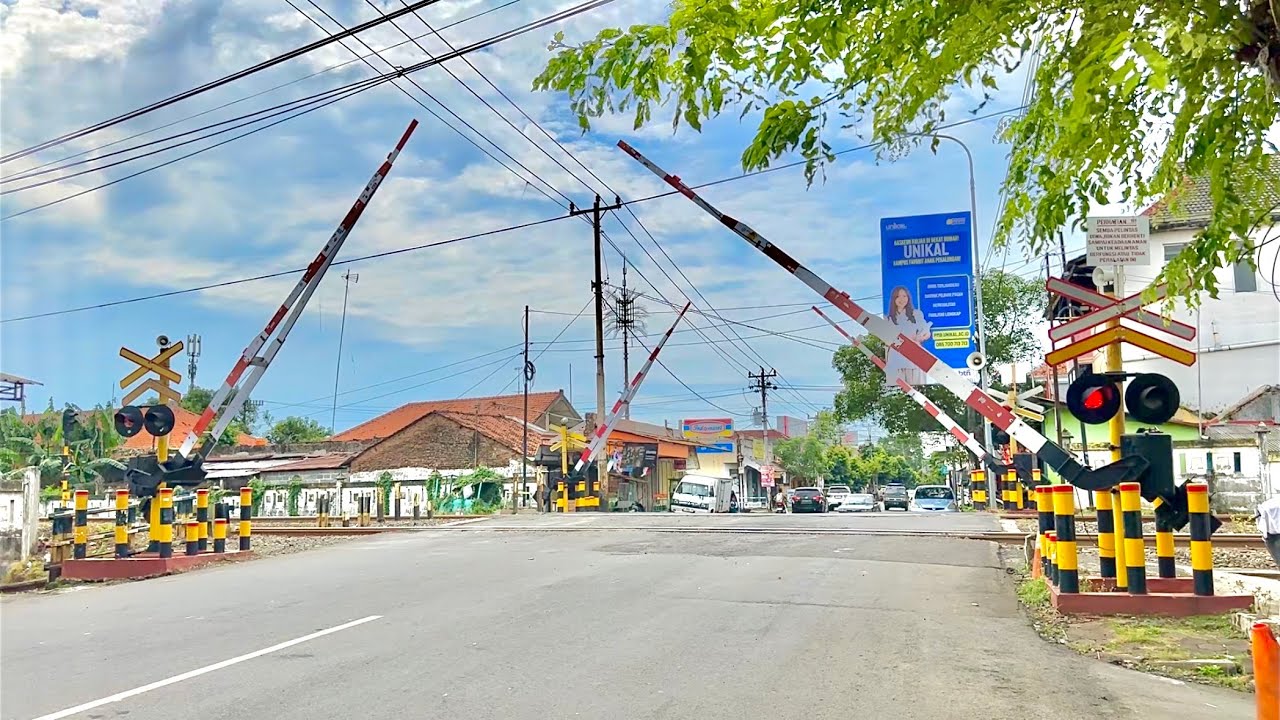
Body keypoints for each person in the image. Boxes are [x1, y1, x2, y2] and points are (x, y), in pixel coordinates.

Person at [884, 285, 931, 386]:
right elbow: (886, 340)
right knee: (898, 391)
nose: (902, 299)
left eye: (904, 296)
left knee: (918, 390)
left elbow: (926, 333)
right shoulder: (888, 319)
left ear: (908, 298)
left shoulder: (916, 314)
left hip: (914, 358)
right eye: (898, 296)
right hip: (896, 360)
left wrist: (920, 338)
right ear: (894, 299)